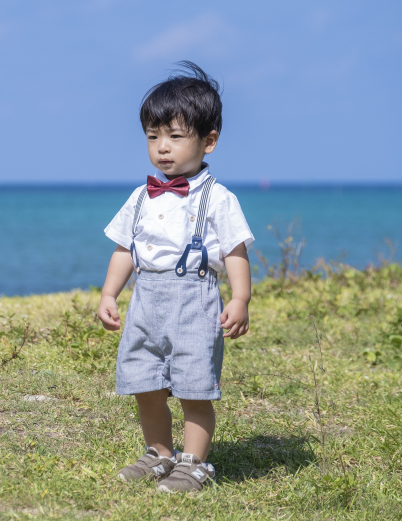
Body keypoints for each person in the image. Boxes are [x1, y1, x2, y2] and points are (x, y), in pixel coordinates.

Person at [98, 61, 254, 492]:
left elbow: (235, 251)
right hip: (146, 299)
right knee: (143, 380)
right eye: (153, 137)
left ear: (210, 141)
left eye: (175, 136)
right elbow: (125, 248)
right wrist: (110, 293)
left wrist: (239, 298)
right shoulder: (140, 197)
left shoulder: (219, 198)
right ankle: (159, 453)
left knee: (194, 385)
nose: (162, 147)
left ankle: (195, 462)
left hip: (194, 298)